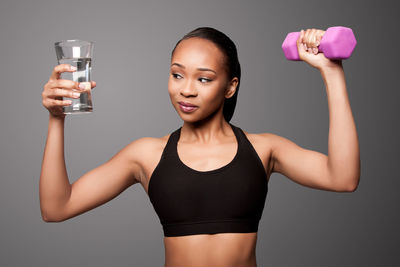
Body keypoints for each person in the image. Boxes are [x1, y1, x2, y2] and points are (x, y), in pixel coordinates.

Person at [40, 27, 360, 267]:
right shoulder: (145, 155)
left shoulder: (264, 149)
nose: (187, 90)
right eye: (177, 75)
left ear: (230, 86)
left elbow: (343, 177)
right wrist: (57, 119)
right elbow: (57, 207)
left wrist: (331, 73)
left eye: (204, 79)